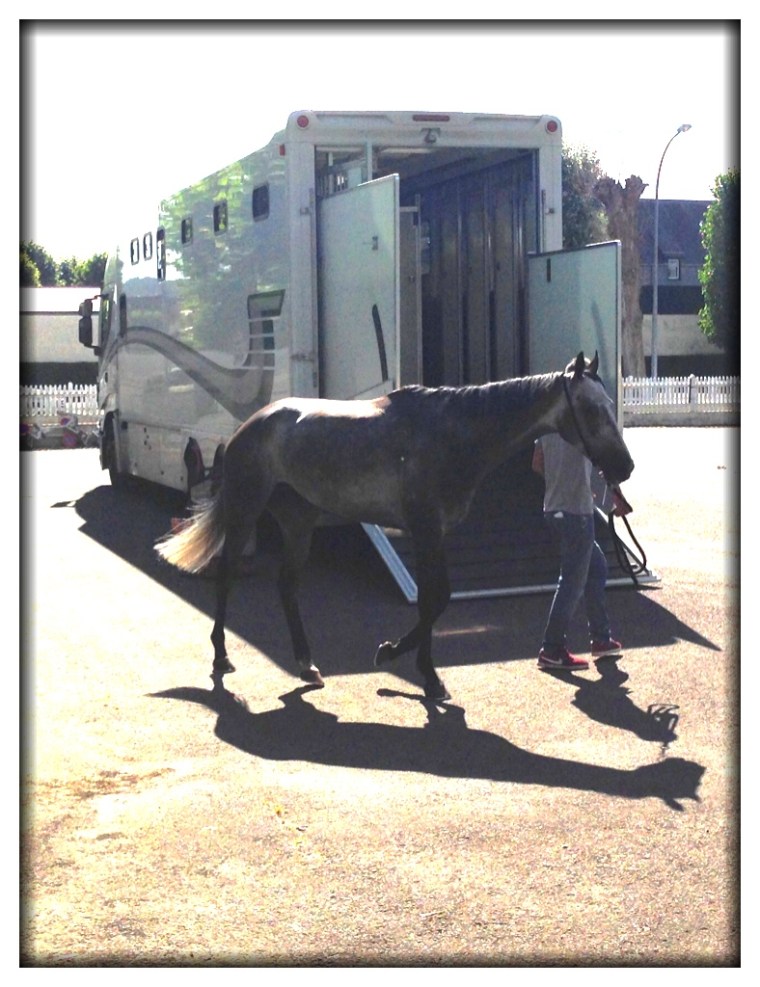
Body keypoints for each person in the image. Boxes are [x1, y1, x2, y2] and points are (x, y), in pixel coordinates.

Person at [531, 432, 624, 671]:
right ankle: (551, 649)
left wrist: (560, 482)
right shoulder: (582, 423)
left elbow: (537, 464)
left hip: (553, 509)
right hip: (577, 512)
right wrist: (612, 500)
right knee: (572, 581)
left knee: (596, 568)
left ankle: (601, 639)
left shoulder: (548, 425)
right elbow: (599, 467)